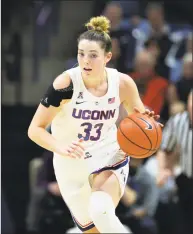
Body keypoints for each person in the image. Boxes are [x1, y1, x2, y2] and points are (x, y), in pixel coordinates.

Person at [28, 16, 159, 234]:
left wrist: (148, 122)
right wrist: (60, 146)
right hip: (71, 163)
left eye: (93, 55)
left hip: (108, 154)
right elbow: (35, 129)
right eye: (81, 54)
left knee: (101, 209)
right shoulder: (66, 84)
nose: (85, 61)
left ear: (107, 56)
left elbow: (140, 119)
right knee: (94, 230)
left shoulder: (123, 83)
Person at [156, 90, 193, 234]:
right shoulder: (178, 121)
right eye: (191, 100)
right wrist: (162, 169)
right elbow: (164, 148)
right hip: (187, 180)